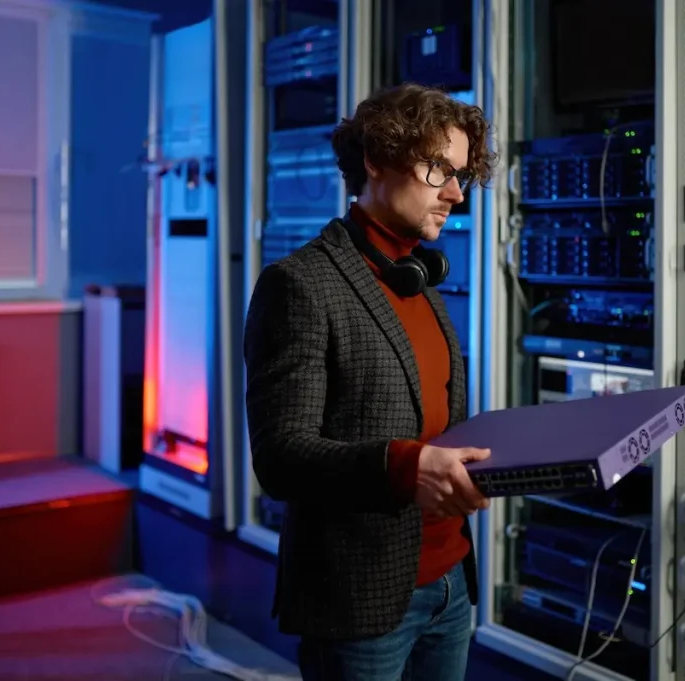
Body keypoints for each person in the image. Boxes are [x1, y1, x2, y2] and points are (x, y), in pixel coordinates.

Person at [243, 83, 498, 681]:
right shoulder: (299, 284)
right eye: (440, 170)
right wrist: (406, 468)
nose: (457, 194)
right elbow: (280, 457)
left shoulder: (418, 280)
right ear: (376, 160)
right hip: (363, 600)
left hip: (451, 584)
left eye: (461, 175)